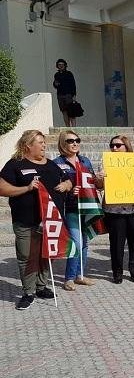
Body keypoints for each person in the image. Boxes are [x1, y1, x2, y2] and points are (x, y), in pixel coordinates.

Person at [0, 130, 73, 309]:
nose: (43, 146)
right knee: (27, 255)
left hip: (50, 220)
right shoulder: (15, 164)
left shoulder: (51, 164)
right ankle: (28, 292)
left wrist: (66, 185)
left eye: (44, 142)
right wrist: (26, 188)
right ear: (28, 146)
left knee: (45, 254)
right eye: (39, 142)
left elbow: (68, 180)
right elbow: (2, 188)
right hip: (26, 220)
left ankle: (42, 287)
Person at [54, 130, 103, 291]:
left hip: (87, 207)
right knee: (76, 242)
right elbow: (54, 188)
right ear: (63, 143)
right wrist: (69, 190)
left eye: (77, 140)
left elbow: (94, 183)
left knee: (84, 241)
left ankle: (80, 275)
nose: (74, 143)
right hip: (70, 208)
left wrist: (99, 179)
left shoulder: (85, 161)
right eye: (70, 141)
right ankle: (69, 278)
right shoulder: (57, 163)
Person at [102, 135, 134, 283]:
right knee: (116, 242)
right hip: (114, 210)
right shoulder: (105, 163)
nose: (114, 148)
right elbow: (98, 185)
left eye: (118, 145)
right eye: (112, 145)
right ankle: (117, 272)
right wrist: (99, 178)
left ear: (126, 147)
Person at [52, 59, 77, 127]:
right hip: (60, 95)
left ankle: (74, 127)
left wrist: (74, 95)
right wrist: (55, 84)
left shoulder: (69, 74)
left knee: (71, 111)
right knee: (64, 111)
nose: (61, 66)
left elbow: (73, 85)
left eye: (62, 65)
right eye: (59, 65)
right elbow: (55, 85)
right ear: (57, 66)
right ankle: (67, 127)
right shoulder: (56, 75)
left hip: (68, 95)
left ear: (65, 65)